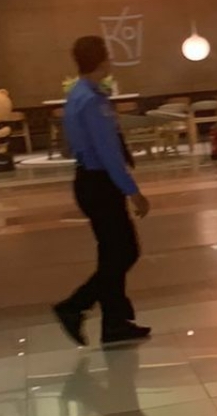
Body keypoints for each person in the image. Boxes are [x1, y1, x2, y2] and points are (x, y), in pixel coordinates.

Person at [53, 36, 151, 346]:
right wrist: (133, 191)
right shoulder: (93, 101)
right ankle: (74, 306)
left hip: (88, 180)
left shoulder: (78, 95)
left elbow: (71, 146)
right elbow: (108, 152)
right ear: (103, 60)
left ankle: (115, 322)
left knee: (112, 254)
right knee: (125, 252)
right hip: (100, 183)